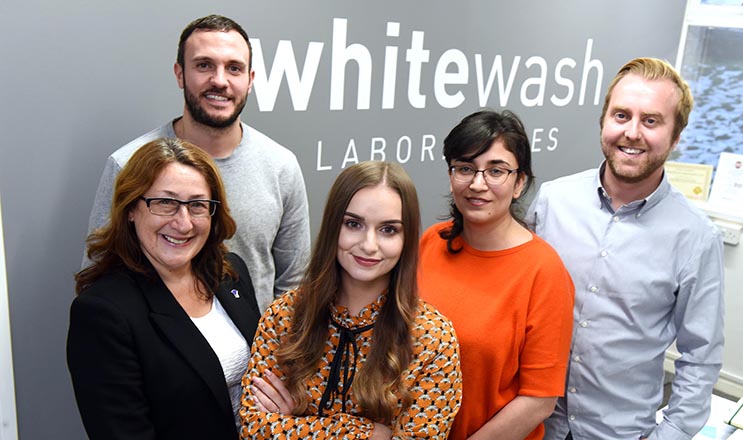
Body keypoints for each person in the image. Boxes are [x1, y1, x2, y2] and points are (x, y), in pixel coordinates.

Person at [526, 58, 725, 440]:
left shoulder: (696, 237)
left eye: (651, 121)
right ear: (604, 121)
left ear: (676, 136)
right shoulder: (554, 200)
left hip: (619, 432)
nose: (632, 132)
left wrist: (673, 433)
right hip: (533, 425)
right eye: (621, 115)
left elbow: (701, 356)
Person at [85, 14, 310, 311]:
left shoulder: (281, 166)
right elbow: (99, 279)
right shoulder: (128, 164)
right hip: (156, 352)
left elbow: (294, 285)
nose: (219, 80)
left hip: (256, 352)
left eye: (234, 68)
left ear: (250, 80)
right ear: (180, 74)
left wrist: (272, 353)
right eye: (204, 65)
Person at [239, 161, 462, 439]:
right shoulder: (284, 316)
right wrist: (367, 433)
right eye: (353, 224)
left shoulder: (432, 337)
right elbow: (253, 430)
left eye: (388, 230)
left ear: (407, 238)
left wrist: (294, 424)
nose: (369, 244)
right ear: (334, 226)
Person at [67, 138, 261, 439]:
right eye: (165, 203)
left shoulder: (230, 271)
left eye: (197, 205)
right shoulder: (103, 313)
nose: (183, 223)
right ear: (131, 208)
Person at [418, 110, 575, 440]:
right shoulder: (430, 243)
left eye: (496, 171)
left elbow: (539, 400)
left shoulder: (544, 272)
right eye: (465, 168)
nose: (477, 184)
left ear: (519, 183)